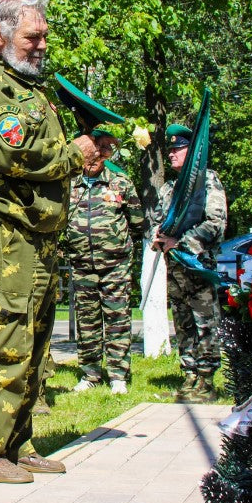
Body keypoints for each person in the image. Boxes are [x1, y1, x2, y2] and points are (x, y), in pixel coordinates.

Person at [0, 0, 119, 484]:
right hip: (8, 232)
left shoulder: (27, 88)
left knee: (34, 340)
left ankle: (17, 443)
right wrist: (76, 152)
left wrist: (83, 152)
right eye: (33, 36)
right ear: (0, 35)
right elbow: (16, 155)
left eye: (45, 35)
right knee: (6, 338)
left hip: (38, 233)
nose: (43, 45)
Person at [146, 123, 227, 402]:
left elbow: (215, 223)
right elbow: (159, 221)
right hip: (176, 270)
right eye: (169, 149)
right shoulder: (169, 188)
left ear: (191, 151)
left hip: (197, 266)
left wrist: (180, 243)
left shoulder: (207, 181)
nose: (171, 154)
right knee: (182, 322)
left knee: (204, 321)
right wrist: (157, 237)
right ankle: (190, 374)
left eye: (177, 148)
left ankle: (206, 379)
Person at [66, 128, 144, 395]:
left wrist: (118, 248)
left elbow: (137, 223)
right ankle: (90, 373)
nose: (97, 155)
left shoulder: (121, 182)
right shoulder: (69, 184)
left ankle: (118, 376)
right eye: (93, 148)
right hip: (82, 266)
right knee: (86, 320)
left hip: (115, 266)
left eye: (104, 149)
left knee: (117, 319)